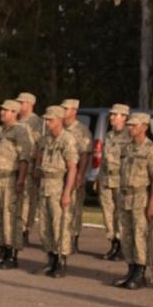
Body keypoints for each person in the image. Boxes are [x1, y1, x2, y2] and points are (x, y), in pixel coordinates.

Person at [113, 113, 153, 290]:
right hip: (125, 196)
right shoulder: (127, 148)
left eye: (134, 125)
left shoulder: (150, 149)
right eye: (130, 125)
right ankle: (130, 269)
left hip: (141, 197)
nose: (130, 128)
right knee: (126, 234)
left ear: (144, 127)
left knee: (139, 235)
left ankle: (140, 273)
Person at [0, 99, 33, 269]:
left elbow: (24, 158)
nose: (2, 112)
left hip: (9, 180)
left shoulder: (20, 131)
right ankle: (1, 251)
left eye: (6, 110)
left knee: (9, 218)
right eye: (2, 110)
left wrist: (20, 180)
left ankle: (12, 255)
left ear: (14, 113)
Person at [36, 105, 78, 278]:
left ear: (60, 120)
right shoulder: (46, 139)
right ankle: (51, 259)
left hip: (59, 186)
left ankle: (61, 261)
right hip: (45, 185)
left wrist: (67, 192)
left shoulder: (67, 139)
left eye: (50, 120)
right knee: (45, 226)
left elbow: (72, 168)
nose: (47, 122)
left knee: (60, 226)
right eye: (46, 119)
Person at [97, 103, 131, 260]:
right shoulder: (109, 135)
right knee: (108, 213)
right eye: (111, 114)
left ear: (124, 117)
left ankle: (123, 246)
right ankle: (114, 244)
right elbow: (104, 159)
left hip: (121, 180)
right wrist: (98, 178)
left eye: (114, 114)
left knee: (121, 214)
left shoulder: (130, 136)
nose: (111, 117)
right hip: (106, 179)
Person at [61, 99, 92, 253]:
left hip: (75, 173)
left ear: (74, 111)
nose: (63, 111)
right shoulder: (60, 127)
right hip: (61, 174)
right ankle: (62, 238)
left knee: (74, 207)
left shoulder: (81, 130)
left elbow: (85, 155)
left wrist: (80, 175)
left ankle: (73, 238)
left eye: (66, 108)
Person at [15, 92, 43, 247]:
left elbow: (39, 146)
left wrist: (37, 166)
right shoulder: (17, 120)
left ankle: (25, 230)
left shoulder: (36, 122)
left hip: (30, 165)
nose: (19, 105)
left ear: (29, 104)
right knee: (17, 201)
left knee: (27, 201)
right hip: (16, 164)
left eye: (21, 102)